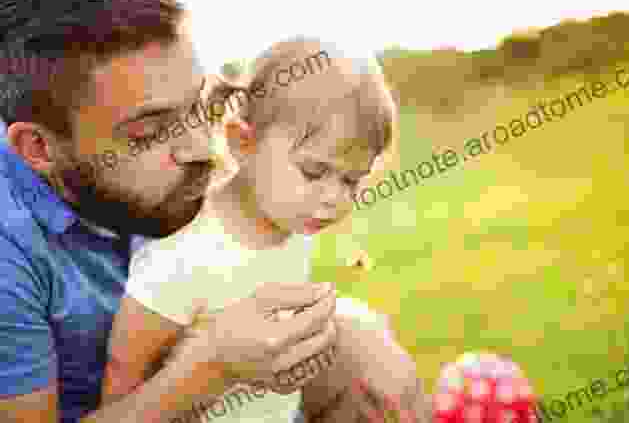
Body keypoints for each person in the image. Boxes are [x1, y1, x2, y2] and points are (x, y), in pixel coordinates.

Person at [0, 0, 338, 422]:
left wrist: (352, 333)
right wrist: (209, 369)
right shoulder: (10, 253)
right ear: (39, 149)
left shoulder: (170, 178)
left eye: (200, 106)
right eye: (150, 133)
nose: (204, 149)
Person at [98, 36, 432, 423]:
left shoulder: (289, 225)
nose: (334, 200)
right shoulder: (182, 251)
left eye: (351, 181)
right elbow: (124, 376)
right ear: (244, 142)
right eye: (314, 171)